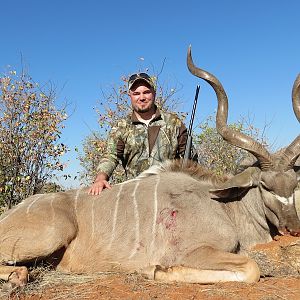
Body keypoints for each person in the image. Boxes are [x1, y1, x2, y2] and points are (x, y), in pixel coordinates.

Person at [88, 72, 188, 195]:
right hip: (134, 195)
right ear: (130, 95)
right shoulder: (122, 127)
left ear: (154, 93)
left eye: (146, 92)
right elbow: (111, 156)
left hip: (169, 193)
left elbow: (190, 159)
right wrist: (101, 178)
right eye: (136, 93)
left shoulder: (173, 123)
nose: (142, 97)